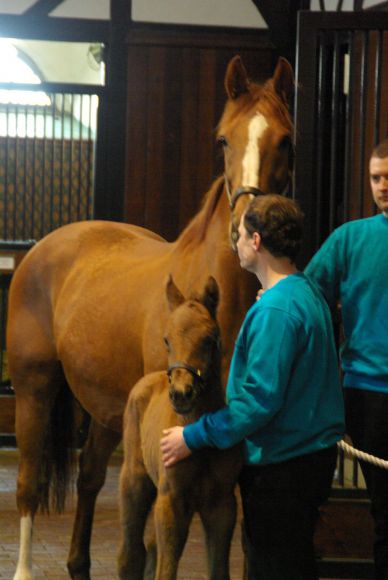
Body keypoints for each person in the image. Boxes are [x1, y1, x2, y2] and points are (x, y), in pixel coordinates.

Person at [161, 194, 345, 580]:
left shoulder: (277, 310)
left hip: (284, 467)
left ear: (257, 241)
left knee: (273, 567)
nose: (236, 244)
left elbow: (256, 404)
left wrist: (192, 436)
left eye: (240, 235)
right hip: (309, 458)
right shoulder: (304, 292)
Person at [304, 138, 388, 580]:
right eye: (376, 177)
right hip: (367, 391)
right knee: (384, 508)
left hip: (366, 388)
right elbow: (307, 294)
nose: (382, 186)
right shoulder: (350, 239)